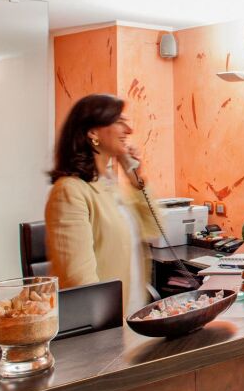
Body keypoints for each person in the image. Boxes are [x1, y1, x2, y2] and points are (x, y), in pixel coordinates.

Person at [45, 94, 161, 314]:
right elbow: (80, 280)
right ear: (93, 132)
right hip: (106, 321)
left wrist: (135, 178)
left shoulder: (109, 185)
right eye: (119, 121)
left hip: (132, 312)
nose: (129, 130)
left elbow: (154, 229)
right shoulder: (69, 191)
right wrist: (108, 327)